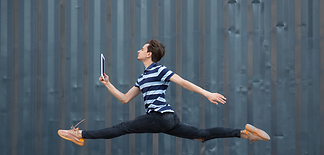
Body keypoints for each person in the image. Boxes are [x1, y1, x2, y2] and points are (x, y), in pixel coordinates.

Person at [58, 39, 270, 146]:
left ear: (149, 54)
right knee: (200, 136)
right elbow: (124, 99)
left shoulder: (159, 69)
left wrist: (207, 94)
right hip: (168, 119)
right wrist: (107, 84)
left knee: (122, 127)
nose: (138, 51)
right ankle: (244, 133)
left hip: (159, 118)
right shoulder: (142, 78)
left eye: (142, 49)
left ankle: (79, 134)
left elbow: (183, 82)